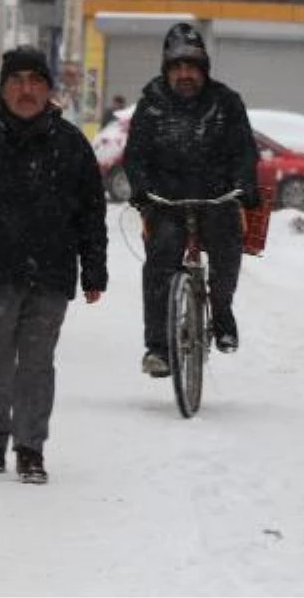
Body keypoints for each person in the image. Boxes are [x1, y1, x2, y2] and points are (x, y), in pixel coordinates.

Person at [0, 46, 108, 484]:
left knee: (36, 363)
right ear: (4, 88)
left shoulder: (71, 145)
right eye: (16, 81)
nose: (26, 90)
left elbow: (91, 212)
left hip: (49, 272)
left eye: (35, 81)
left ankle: (31, 447)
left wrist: (94, 270)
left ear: (48, 90)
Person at [124, 22, 259, 377]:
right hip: (166, 201)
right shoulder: (150, 105)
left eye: (192, 67)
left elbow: (245, 151)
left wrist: (245, 183)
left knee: (227, 246)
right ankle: (158, 348)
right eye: (178, 67)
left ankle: (223, 310)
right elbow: (135, 155)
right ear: (167, 70)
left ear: (204, 69)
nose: (185, 74)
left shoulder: (226, 102)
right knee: (160, 260)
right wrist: (140, 186)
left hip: (216, 197)